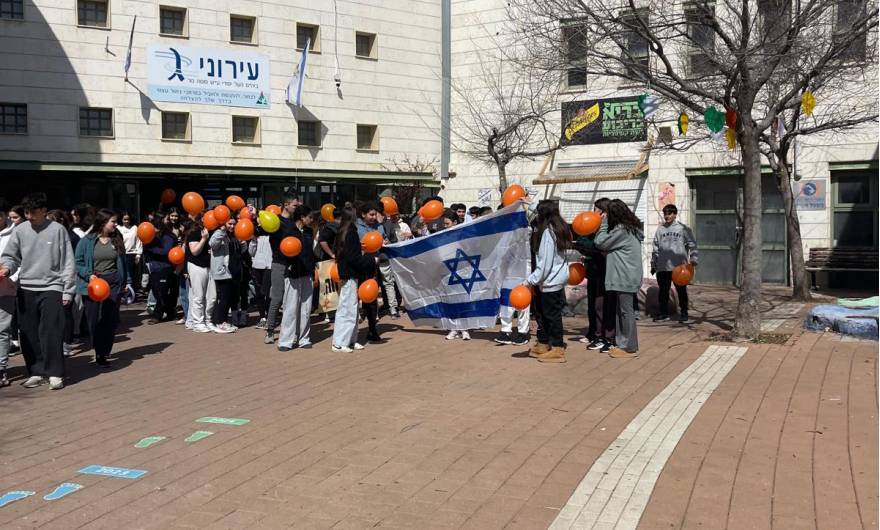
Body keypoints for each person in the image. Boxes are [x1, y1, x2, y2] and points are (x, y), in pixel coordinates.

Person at [0, 192, 75, 390]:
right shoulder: (20, 230)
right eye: (26, 212)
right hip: (26, 286)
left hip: (52, 286)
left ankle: (55, 373)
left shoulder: (57, 230)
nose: (29, 216)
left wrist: (68, 290)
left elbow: (68, 261)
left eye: (33, 212)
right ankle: (36, 371)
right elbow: (11, 256)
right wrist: (7, 268)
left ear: (43, 210)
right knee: (28, 332)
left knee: (51, 330)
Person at [74, 209, 129, 367]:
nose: (116, 224)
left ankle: (102, 352)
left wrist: (127, 282)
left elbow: (123, 262)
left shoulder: (117, 238)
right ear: (103, 222)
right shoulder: (87, 241)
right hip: (93, 284)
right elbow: (78, 262)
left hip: (113, 284)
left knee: (109, 319)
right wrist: (88, 274)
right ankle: (98, 346)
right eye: (113, 221)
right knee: (93, 320)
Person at [594, 199, 644, 358]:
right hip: (626, 275)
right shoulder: (629, 228)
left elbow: (600, 242)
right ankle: (623, 343)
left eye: (607, 214)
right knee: (622, 312)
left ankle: (628, 347)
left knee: (625, 312)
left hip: (625, 276)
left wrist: (603, 223)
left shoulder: (622, 230)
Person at [525, 201, 571, 363]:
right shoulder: (558, 227)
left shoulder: (548, 233)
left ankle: (557, 348)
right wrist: (530, 203)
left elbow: (545, 263)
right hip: (552, 279)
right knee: (544, 314)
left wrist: (531, 280)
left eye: (538, 213)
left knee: (552, 316)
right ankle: (544, 343)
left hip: (550, 280)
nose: (536, 216)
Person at [331, 207, 379, 352]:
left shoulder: (345, 231)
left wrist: (360, 248)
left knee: (351, 308)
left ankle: (351, 339)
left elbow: (349, 253)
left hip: (350, 274)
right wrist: (370, 260)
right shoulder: (350, 232)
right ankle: (340, 342)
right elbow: (353, 257)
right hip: (349, 275)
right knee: (348, 309)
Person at [574, 197, 616, 353]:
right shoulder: (593, 227)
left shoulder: (609, 228)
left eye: (595, 210)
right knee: (593, 304)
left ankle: (602, 336)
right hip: (592, 271)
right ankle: (593, 333)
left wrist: (593, 249)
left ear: (604, 213)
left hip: (604, 272)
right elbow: (582, 242)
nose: (592, 212)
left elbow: (599, 245)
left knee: (601, 305)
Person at [651, 204, 699, 324]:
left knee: (681, 291)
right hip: (663, 266)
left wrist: (694, 258)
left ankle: (684, 313)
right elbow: (655, 248)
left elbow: (692, 244)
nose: (667, 216)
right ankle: (664, 314)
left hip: (679, 267)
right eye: (665, 214)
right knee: (663, 292)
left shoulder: (683, 228)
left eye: (670, 213)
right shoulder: (660, 229)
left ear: (675, 214)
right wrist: (653, 263)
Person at [277, 206, 316, 351]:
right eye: (309, 217)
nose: (311, 220)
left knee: (306, 308)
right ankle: (285, 341)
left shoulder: (309, 232)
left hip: (307, 273)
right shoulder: (289, 231)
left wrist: (314, 267)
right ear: (302, 217)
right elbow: (282, 251)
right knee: (290, 308)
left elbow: (310, 252)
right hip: (293, 273)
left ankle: (304, 338)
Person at [264, 193, 301, 344]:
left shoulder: (294, 222)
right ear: (286, 205)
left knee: (291, 300)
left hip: (293, 264)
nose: (296, 208)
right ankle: (270, 330)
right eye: (295, 205)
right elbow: (261, 230)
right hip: (279, 263)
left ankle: (291, 331)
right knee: (277, 298)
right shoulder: (276, 221)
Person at [47, 209, 80, 357]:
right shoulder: (46, 236)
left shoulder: (71, 237)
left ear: (60, 221)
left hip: (66, 278)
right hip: (50, 279)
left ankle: (66, 342)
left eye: (51, 221)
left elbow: (73, 261)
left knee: (66, 311)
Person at [355, 201, 384, 342]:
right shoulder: (356, 227)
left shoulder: (379, 227)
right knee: (355, 299)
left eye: (375, 215)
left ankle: (372, 329)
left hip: (372, 268)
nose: (374, 217)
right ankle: (352, 332)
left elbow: (383, 242)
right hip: (358, 267)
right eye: (371, 215)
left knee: (371, 299)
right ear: (363, 214)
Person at [142, 215, 178, 324]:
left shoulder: (167, 237)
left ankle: (157, 315)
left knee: (161, 292)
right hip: (154, 269)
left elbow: (165, 251)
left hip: (165, 268)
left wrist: (150, 248)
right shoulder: (151, 238)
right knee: (156, 292)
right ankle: (170, 312)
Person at [208, 217, 241, 333]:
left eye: (234, 224)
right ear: (224, 223)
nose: (232, 226)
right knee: (224, 298)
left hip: (231, 271)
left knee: (228, 298)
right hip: (222, 271)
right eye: (230, 224)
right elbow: (212, 244)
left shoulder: (232, 235)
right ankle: (219, 322)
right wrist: (221, 230)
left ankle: (224, 321)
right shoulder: (219, 233)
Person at [184, 215, 214, 333]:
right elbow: (194, 251)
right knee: (198, 296)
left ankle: (206, 320)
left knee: (210, 297)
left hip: (208, 267)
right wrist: (204, 239)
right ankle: (197, 323)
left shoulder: (211, 232)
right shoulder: (195, 233)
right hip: (197, 266)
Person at [0, 201, 15, 386]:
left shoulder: (14, 234)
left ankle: (1, 369)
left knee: (2, 330)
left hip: (6, 289)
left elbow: (19, 259)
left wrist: (10, 274)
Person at [249, 222, 273, 329]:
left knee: (266, 292)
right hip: (256, 267)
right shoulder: (256, 236)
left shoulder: (272, 235)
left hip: (268, 267)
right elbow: (251, 253)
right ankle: (262, 317)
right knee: (258, 293)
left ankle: (269, 316)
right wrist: (253, 241)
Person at [117, 212, 143, 297]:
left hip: (132, 254)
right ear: (121, 219)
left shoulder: (134, 228)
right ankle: (124, 293)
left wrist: (138, 254)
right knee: (123, 274)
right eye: (124, 219)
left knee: (131, 275)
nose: (126, 221)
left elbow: (138, 240)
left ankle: (131, 294)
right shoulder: (118, 228)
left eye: (128, 219)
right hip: (121, 253)